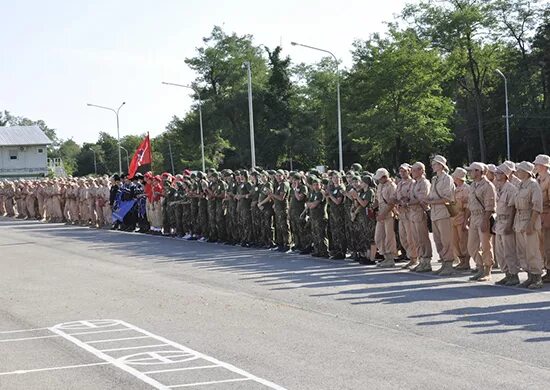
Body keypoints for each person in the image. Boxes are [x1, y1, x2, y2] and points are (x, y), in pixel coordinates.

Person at [513, 161, 544, 289]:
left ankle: (537, 277)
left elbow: (537, 206)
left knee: (532, 250)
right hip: (519, 220)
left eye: (519, 170)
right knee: (523, 252)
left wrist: (531, 224)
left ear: (526, 172)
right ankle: (529, 276)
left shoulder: (533, 185)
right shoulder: (521, 185)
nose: (517, 172)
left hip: (529, 219)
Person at [465, 162, 497, 282]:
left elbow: (490, 206)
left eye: (472, 170)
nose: (470, 173)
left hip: (483, 216)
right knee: (471, 246)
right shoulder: (473, 185)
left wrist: (485, 221)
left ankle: (487, 270)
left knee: (485, 245)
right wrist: (466, 219)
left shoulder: (488, 186)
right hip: (473, 217)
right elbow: (470, 204)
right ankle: (480, 267)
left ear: (479, 171)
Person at [427, 155, 456, 276]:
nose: (433, 166)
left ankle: (449, 264)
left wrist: (431, 201)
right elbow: (432, 194)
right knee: (438, 240)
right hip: (434, 212)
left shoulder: (447, 179)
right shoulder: (434, 179)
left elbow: (447, 197)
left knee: (446, 240)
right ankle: (443, 262)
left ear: (441, 165)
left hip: (443, 212)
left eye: (435, 164)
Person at [493, 163, 519, 285]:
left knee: (509, 251)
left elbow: (513, 208)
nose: (496, 174)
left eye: (499, 173)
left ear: (505, 175)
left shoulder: (511, 189)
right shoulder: (499, 187)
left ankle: (514, 275)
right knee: (500, 251)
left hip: (507, 221)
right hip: (499, 221)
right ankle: (507, 274)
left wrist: (509, 225)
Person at [393, 163, 416, 269]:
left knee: (410, 237)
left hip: (410, 212)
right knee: (403, 237)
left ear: (409, 171)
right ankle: (410, 255)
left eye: (404, 171)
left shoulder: (412, 183)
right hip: (401, 213)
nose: (402, 173)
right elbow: (395, 196)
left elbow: (413, 197)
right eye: (401, 171)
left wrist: (406, 200)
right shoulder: (399, 184)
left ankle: (414, 258)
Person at [373, 168, 397, 267]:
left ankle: (390, 258)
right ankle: (385, 256)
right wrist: (374, 207)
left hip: (388, 213)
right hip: (381, 213)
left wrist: (383, 214)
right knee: (378, 236)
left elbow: (392, 203)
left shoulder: (392, 186)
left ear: (384, 177)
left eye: (380, 178)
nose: (378, 180)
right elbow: (377, 199)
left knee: (389, 237)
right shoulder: (380, 185)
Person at [533, 154, 550, 283]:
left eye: (537, 164)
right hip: (539, 214)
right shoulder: (538, 178)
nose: (535, 166)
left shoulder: (549, 179)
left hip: (547, 214)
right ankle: (546, 267)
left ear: (543, 166)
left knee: (547, 244)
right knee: (541, 245)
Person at [451, 167, 471, 270]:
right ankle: (461, 260)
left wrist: (466, 221)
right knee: (455, 241)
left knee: (463, 241)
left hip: (462, 217)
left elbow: (467, 207)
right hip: (454, 218)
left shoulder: (466, 189)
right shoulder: (455, 189)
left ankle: (466, 262)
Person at [325, 172, 347, 259]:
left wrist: (330, 195)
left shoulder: (340, 188)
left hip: (339, 213)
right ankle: (336, 250)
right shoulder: (332, 188)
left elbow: (338, 201)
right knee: (334, 232)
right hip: (333, 212)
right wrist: (328, 196)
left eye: (337, 177)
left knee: (340, 232)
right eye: (333, 178)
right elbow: (328, 201)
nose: (335, 179)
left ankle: (341, 251)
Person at [307, 177, 329, 258]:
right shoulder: (313, 193)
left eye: (317, 185)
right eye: (314, 185)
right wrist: (310, 204)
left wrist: (311, 204)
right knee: (315, 234)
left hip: (320, 216)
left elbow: (313, 205)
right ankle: (318, 250)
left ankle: (324, 251)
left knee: (321, 235)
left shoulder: (321, 193)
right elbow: (308, 203)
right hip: (313, 217)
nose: (316, 186)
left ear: (321, 185)